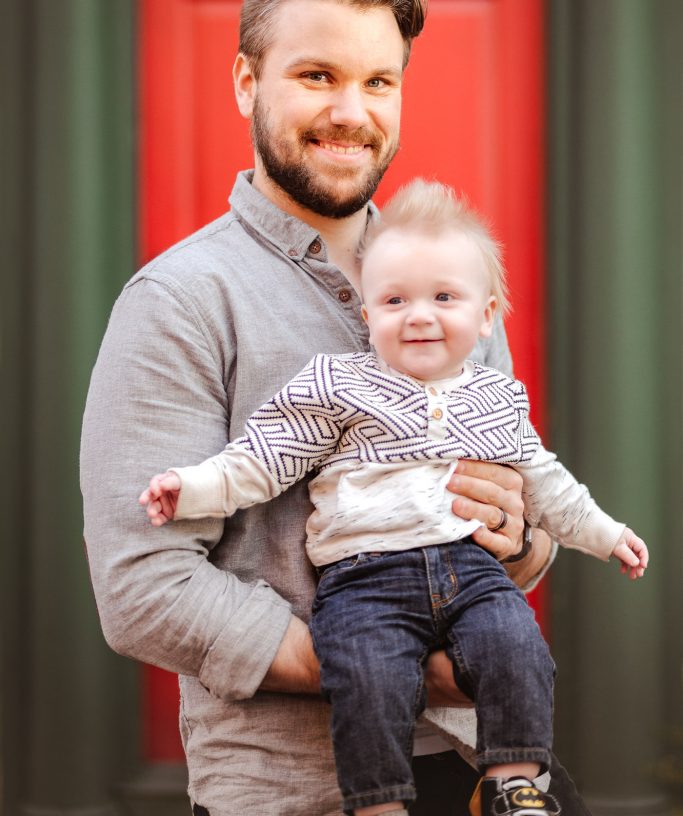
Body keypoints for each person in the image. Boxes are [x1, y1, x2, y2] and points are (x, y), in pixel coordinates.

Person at [81, 0, 593, 816]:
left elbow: (519, 528)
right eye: (316, 76)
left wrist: (521, 536)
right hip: (293, 790)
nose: (351, 112)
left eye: (377, 82)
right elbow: (142, 590)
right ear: (247, 80)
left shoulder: (452, 280)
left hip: (488, 770)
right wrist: (389, 667)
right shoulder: (178, 301)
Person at [139, 180, 648, 816]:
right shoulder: (340, 385)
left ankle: (513, 782)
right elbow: (265, 458)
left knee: (518, 647)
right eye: (396, 300)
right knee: (367, 676)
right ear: (368, 315)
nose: (420, 314)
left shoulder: (497, 399)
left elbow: (548, 486)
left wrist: (605, 534)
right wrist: (192, 486)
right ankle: (377, 803)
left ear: (486, 315)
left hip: (471, 575)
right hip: (364, 578)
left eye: (444, 297)